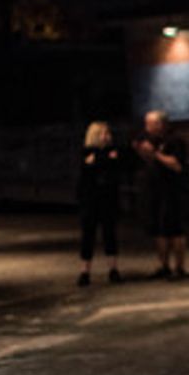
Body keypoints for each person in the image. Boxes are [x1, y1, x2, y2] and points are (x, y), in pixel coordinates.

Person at [133, 110, 187, 278]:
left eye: (150, 123)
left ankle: (179, 267)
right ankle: (163, 266)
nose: (147, 127)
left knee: (175, 231)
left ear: (160, 124)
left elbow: (177, 166)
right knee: (158, 231)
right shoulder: (145, 138)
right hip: (152, 192)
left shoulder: (174, 141)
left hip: (171, 192)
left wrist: (155, 153)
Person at [76, 121, 123, 286]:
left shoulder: (113, 151)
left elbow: (115, 168)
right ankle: (84, 271)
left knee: (110, 234)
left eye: (107, 133)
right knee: (88, 235)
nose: (106, 136)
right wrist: (102, 160)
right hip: (90, 199)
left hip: (108, 198)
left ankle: (113, 269)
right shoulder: (85, 151)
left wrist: (97, 160)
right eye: (102, 133)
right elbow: (85, 170)